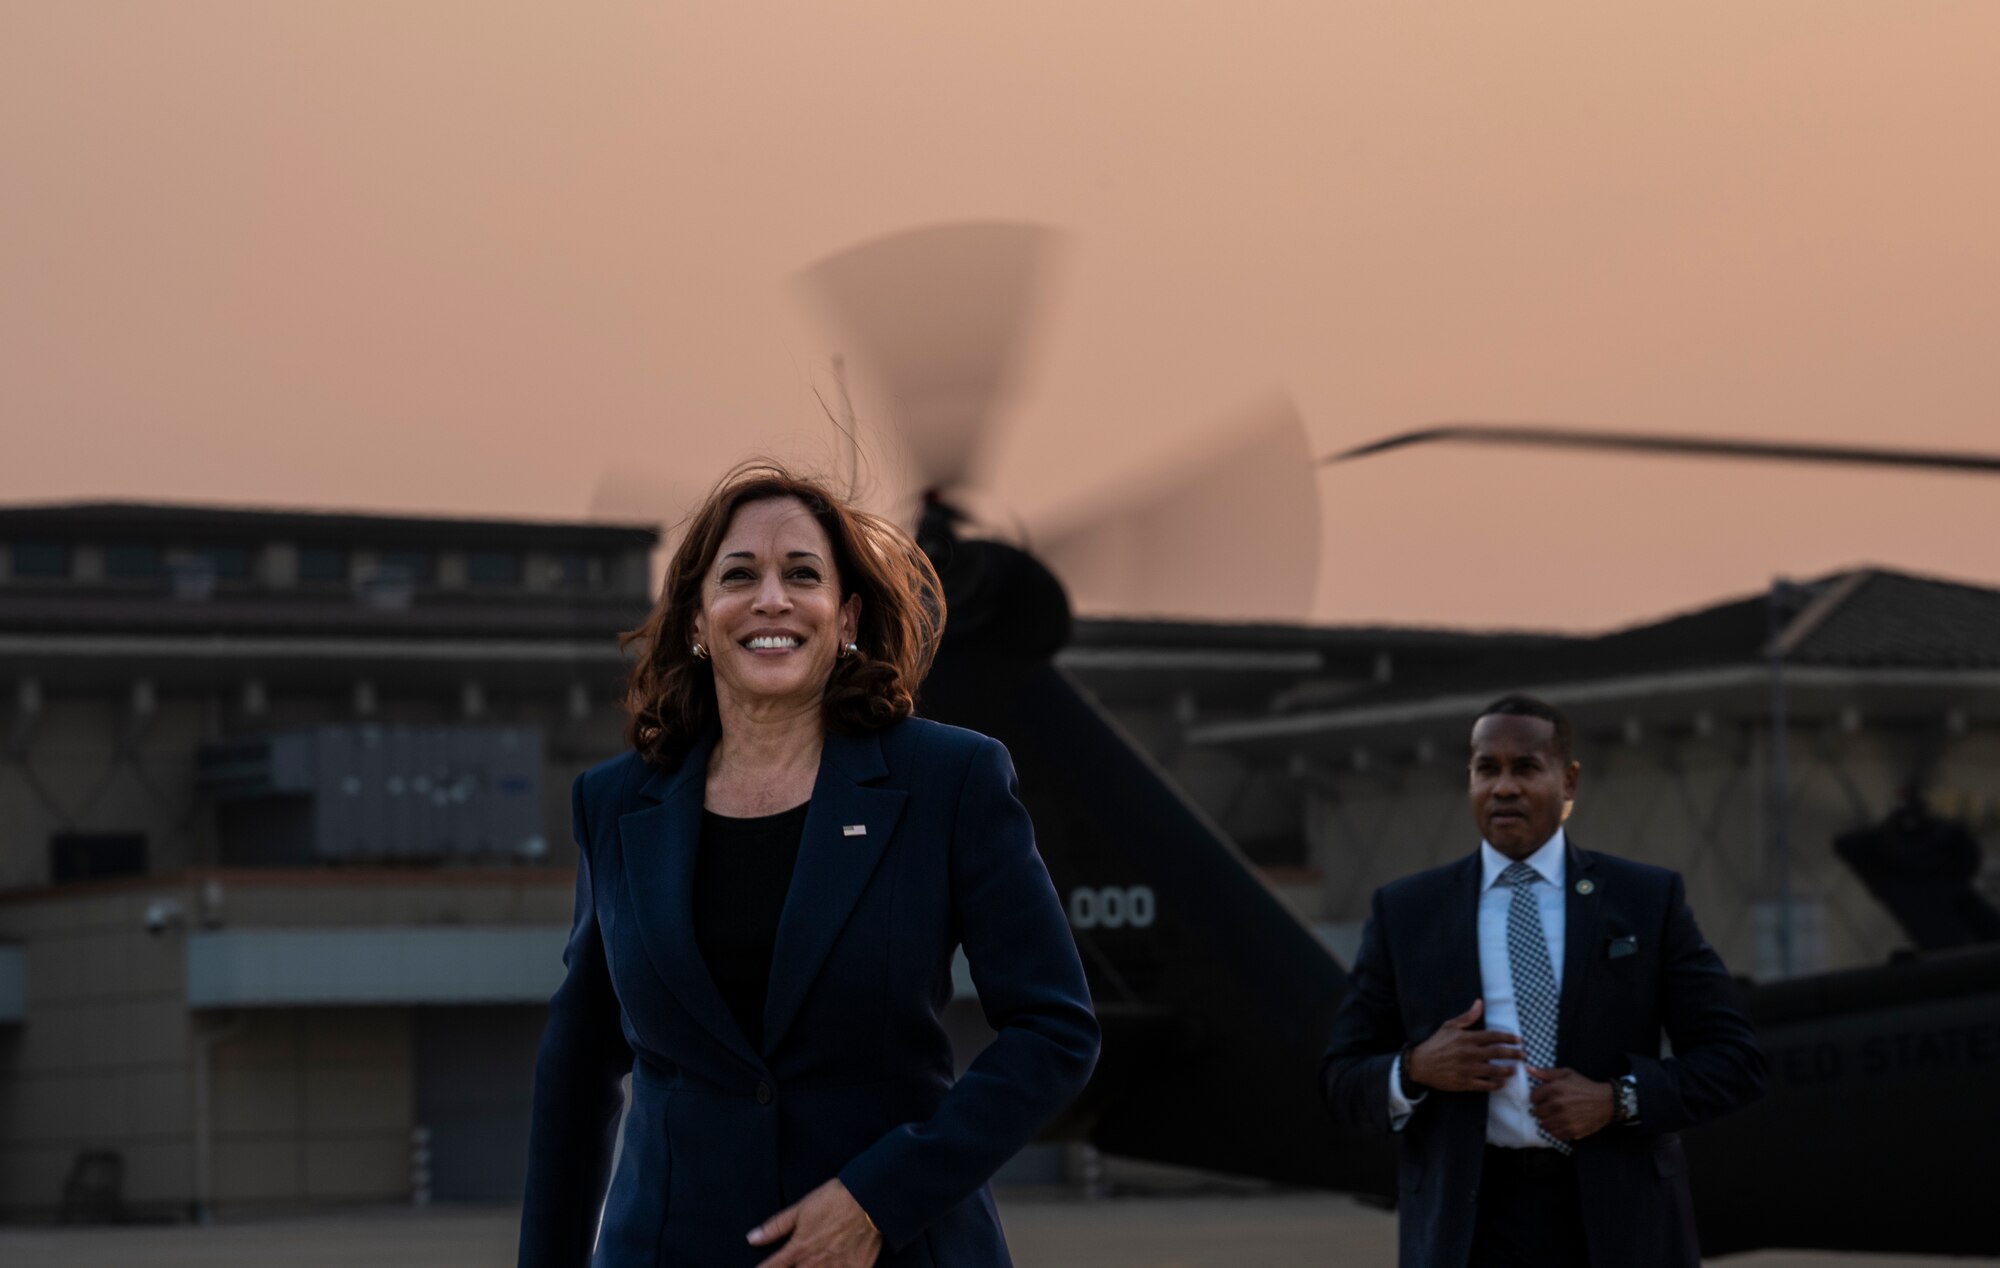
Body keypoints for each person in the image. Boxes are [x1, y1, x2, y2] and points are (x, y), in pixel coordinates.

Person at [518, 463, 1100, 1268]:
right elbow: (578, 1071)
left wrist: (882, 1198)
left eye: (802, 575)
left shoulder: (949, 781)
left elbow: (1055, 1031)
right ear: (697, 619)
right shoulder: (615, 806)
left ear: (847, 616)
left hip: (900, 1249)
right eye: (739, 576)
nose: (772, 600)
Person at [1320, 694, 1765, 1268]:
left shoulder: (1645, 900)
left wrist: (1616, 1100)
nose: (1504, 787)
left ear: (1569, 779)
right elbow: (1340, 1077)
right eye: (1487, 769)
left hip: (1616, 1221)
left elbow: (1736, 1062)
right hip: (1470, 1228)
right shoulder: (1407, 911)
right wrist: (1415, 1069)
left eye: (1526, 767)